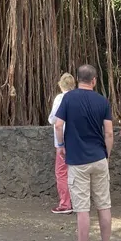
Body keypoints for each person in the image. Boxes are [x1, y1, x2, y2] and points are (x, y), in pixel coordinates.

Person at [54, 64, 114, 241]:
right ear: (94, 80)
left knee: (82, 209)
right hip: (99, 158)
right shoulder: (102, 100)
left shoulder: (68, 98)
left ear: (78, 79)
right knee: (104, 205)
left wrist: (61, 146)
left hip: (77, 161)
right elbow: (109, 133)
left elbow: (58, 124)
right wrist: (107, 154)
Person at [48, 72, 76, 214]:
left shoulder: (60, 98)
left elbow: (54, 120)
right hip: (77, 140)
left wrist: (60, 145)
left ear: (60, 85)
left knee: (62, 172)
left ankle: (65, 204)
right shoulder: (78, 97)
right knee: (76, 172)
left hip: (62, 141)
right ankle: (78, 202)